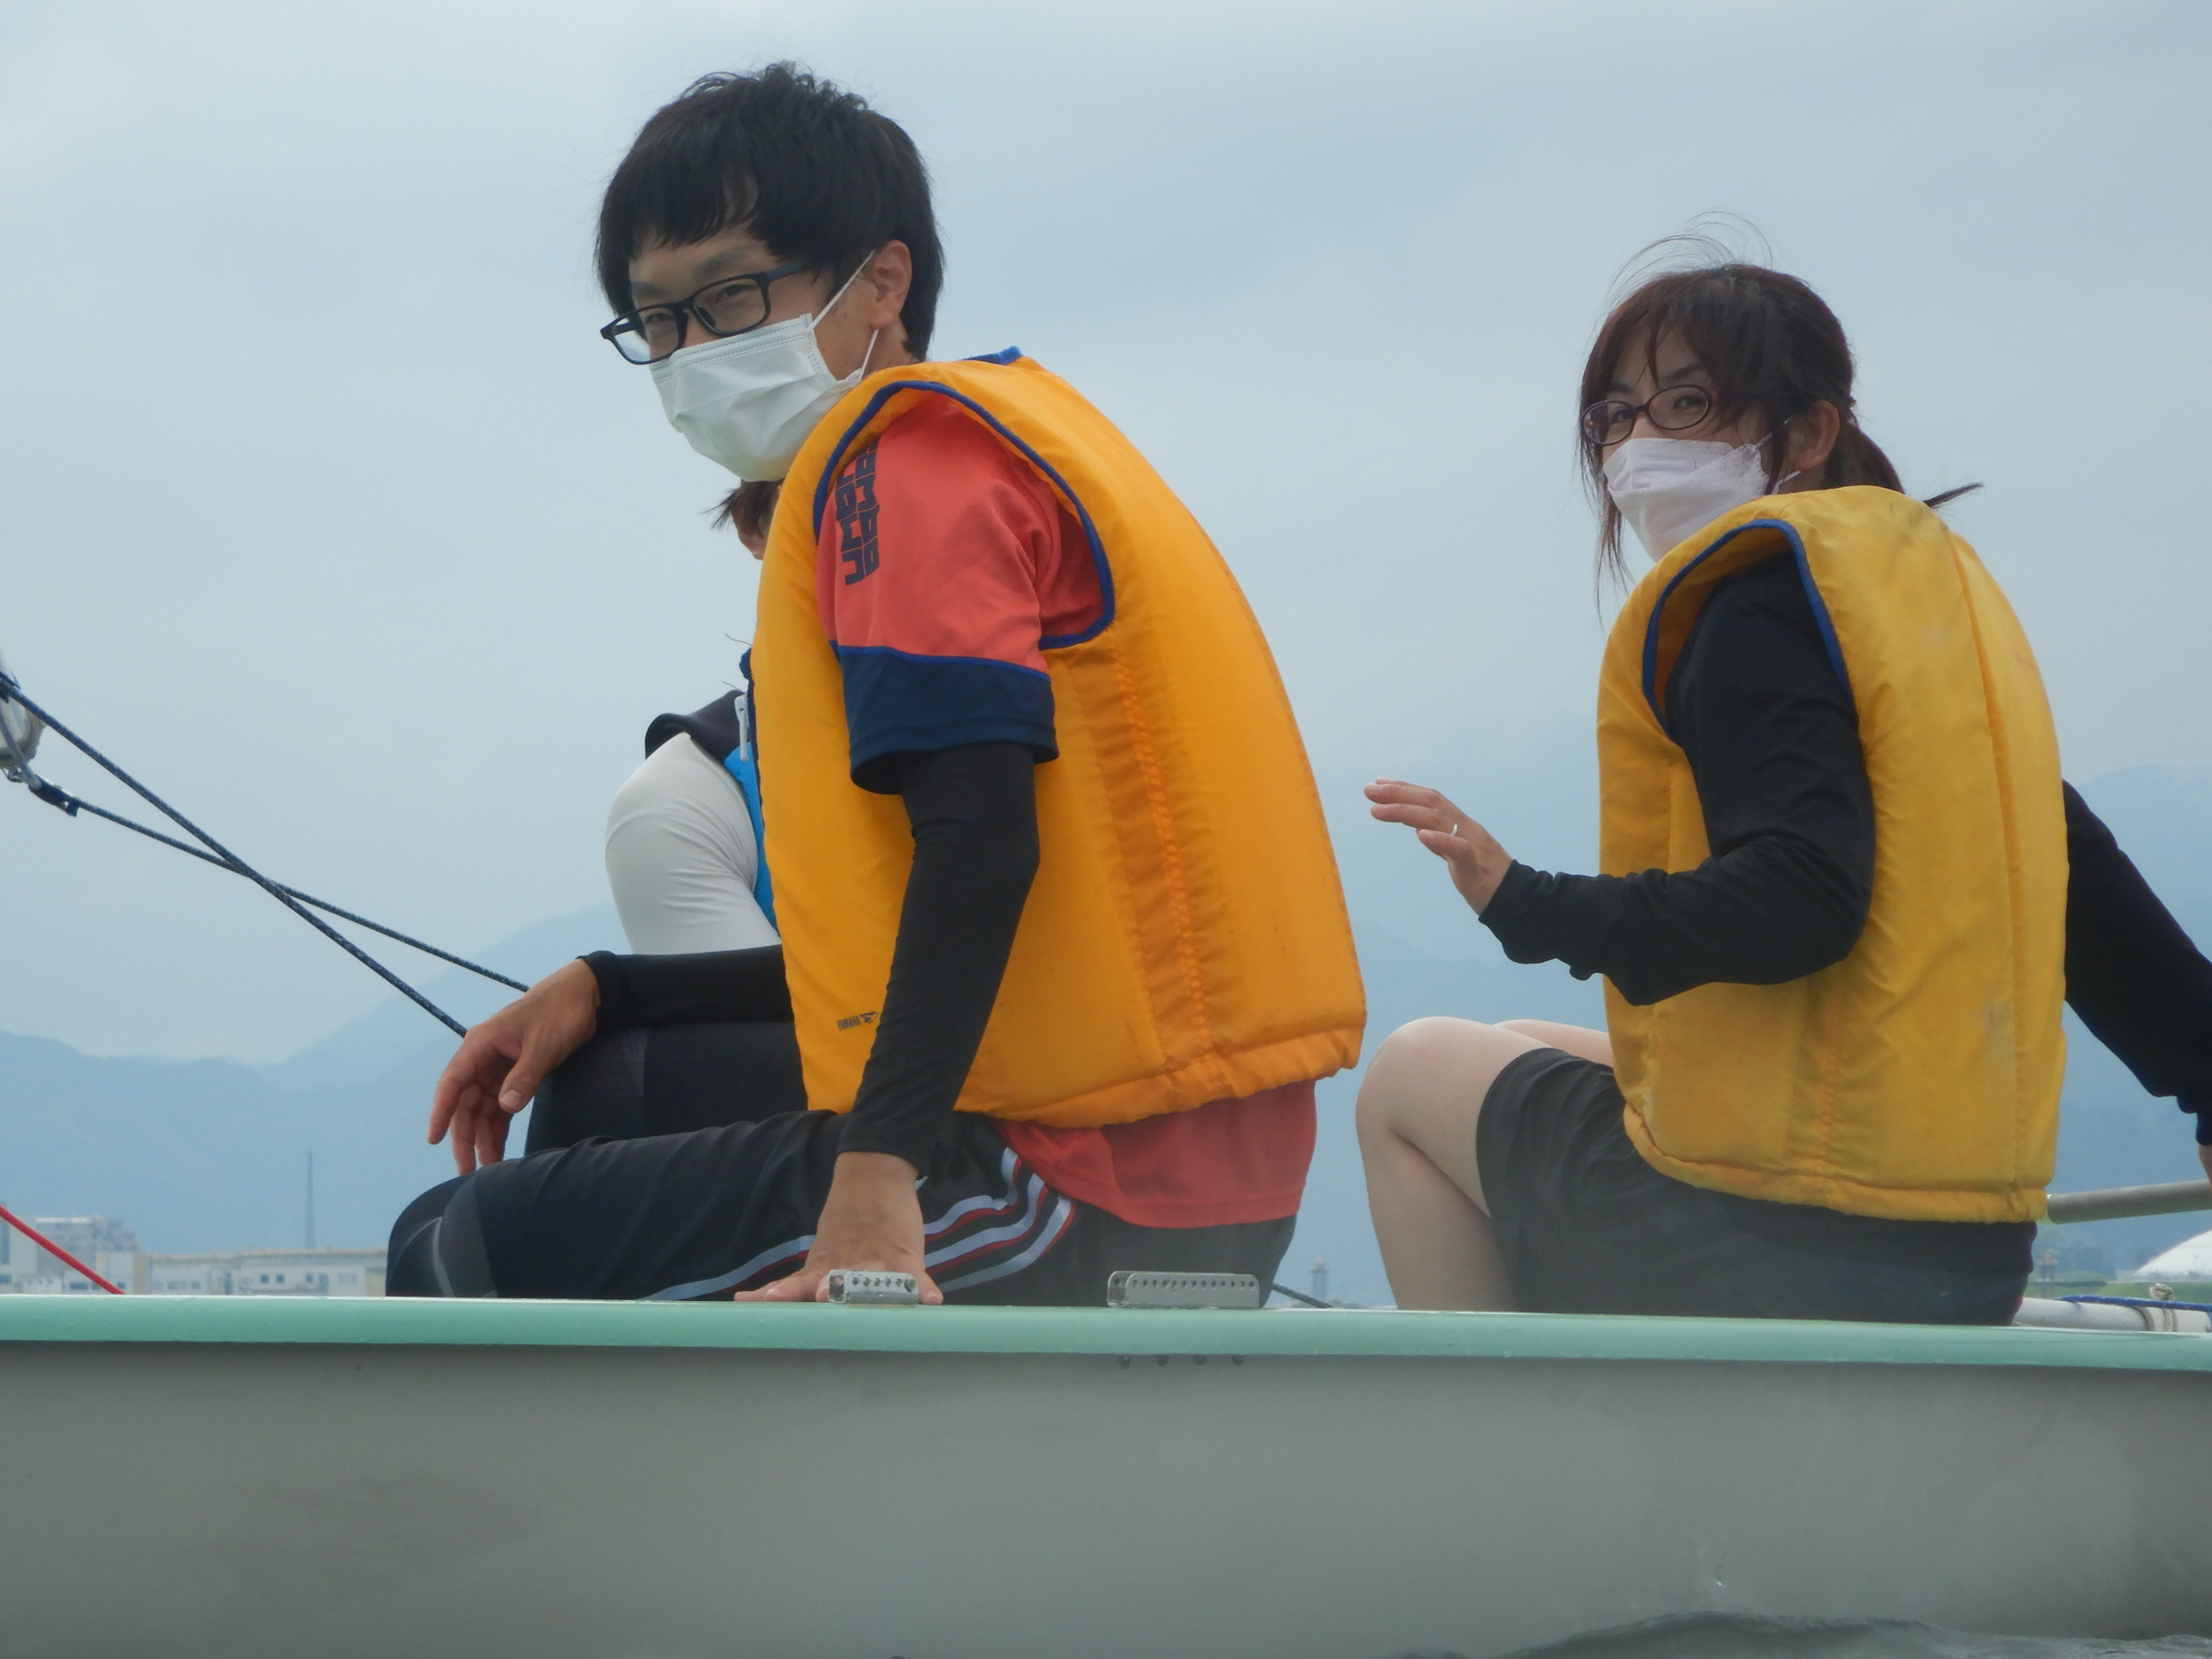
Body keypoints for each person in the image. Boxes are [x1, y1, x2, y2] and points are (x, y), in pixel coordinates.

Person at [386, 65, 1363, 1305]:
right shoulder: (985, 434)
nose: (696, 351)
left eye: (731, 297)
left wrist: (873, 1185)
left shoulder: (901, 472)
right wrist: (611, 987)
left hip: (1080, 1186)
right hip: (1157, 1148)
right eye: (661, 322)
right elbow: (969, 943)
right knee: (601, 1080)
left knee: (452, 1245)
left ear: (882, 283)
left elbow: (981, 845)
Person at [1357, 259, 2212, 1324]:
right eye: (1615, 414)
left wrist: (1525, 899)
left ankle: (1493, 1424)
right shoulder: (1915, 618)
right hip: (1966, 1247)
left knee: (1409, 1075)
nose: (1637, 444)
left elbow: (1802, 899)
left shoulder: (1749, 610)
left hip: (1784, 1239)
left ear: (1805, 433)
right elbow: (2084, 887)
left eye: (1686, 404)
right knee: (1528, 1041)